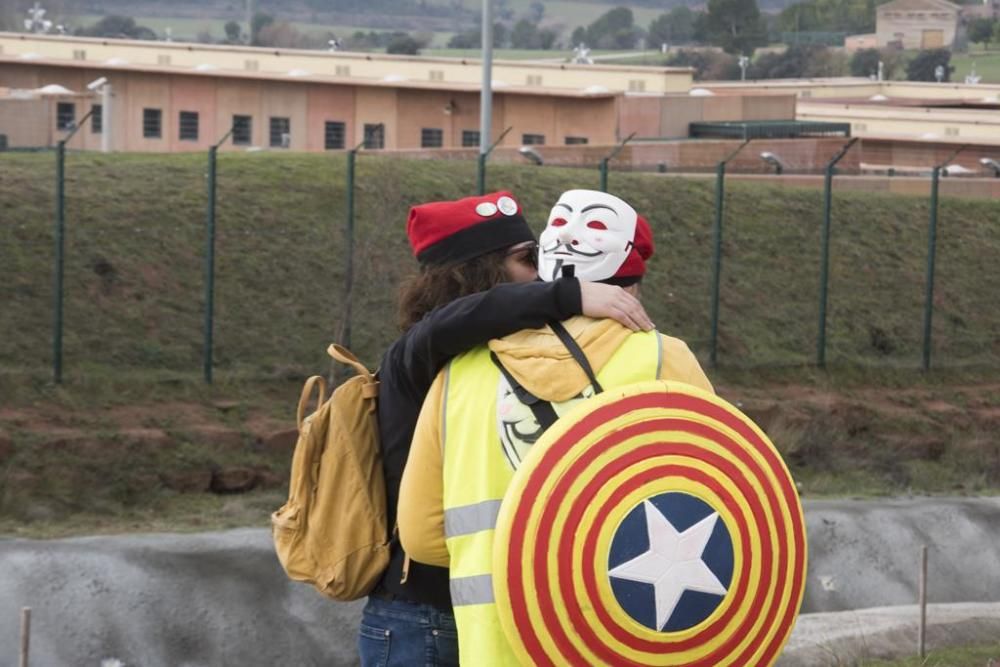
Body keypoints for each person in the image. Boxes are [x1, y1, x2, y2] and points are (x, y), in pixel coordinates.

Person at [397, 189, 714, 665]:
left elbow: (421, 536)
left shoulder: (458, 372)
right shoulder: (662, 358)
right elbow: (716, 499)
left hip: (495, 644)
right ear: (627, 289)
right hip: (624, 633)